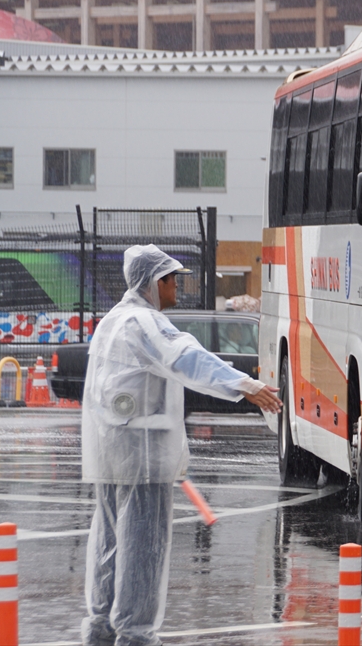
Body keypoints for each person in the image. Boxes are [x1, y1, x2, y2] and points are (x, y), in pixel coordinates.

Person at [81, 245, 281, 646]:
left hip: (110, 451)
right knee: (142, 547)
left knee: (109, 541)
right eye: (173, 280)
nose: (178, 287)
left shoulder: (113, 320)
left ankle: (101, 628)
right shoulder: (145, 322)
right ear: (157, 283)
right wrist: (244, 384)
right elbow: (188, 358)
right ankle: (134, 635)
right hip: (143, 457)